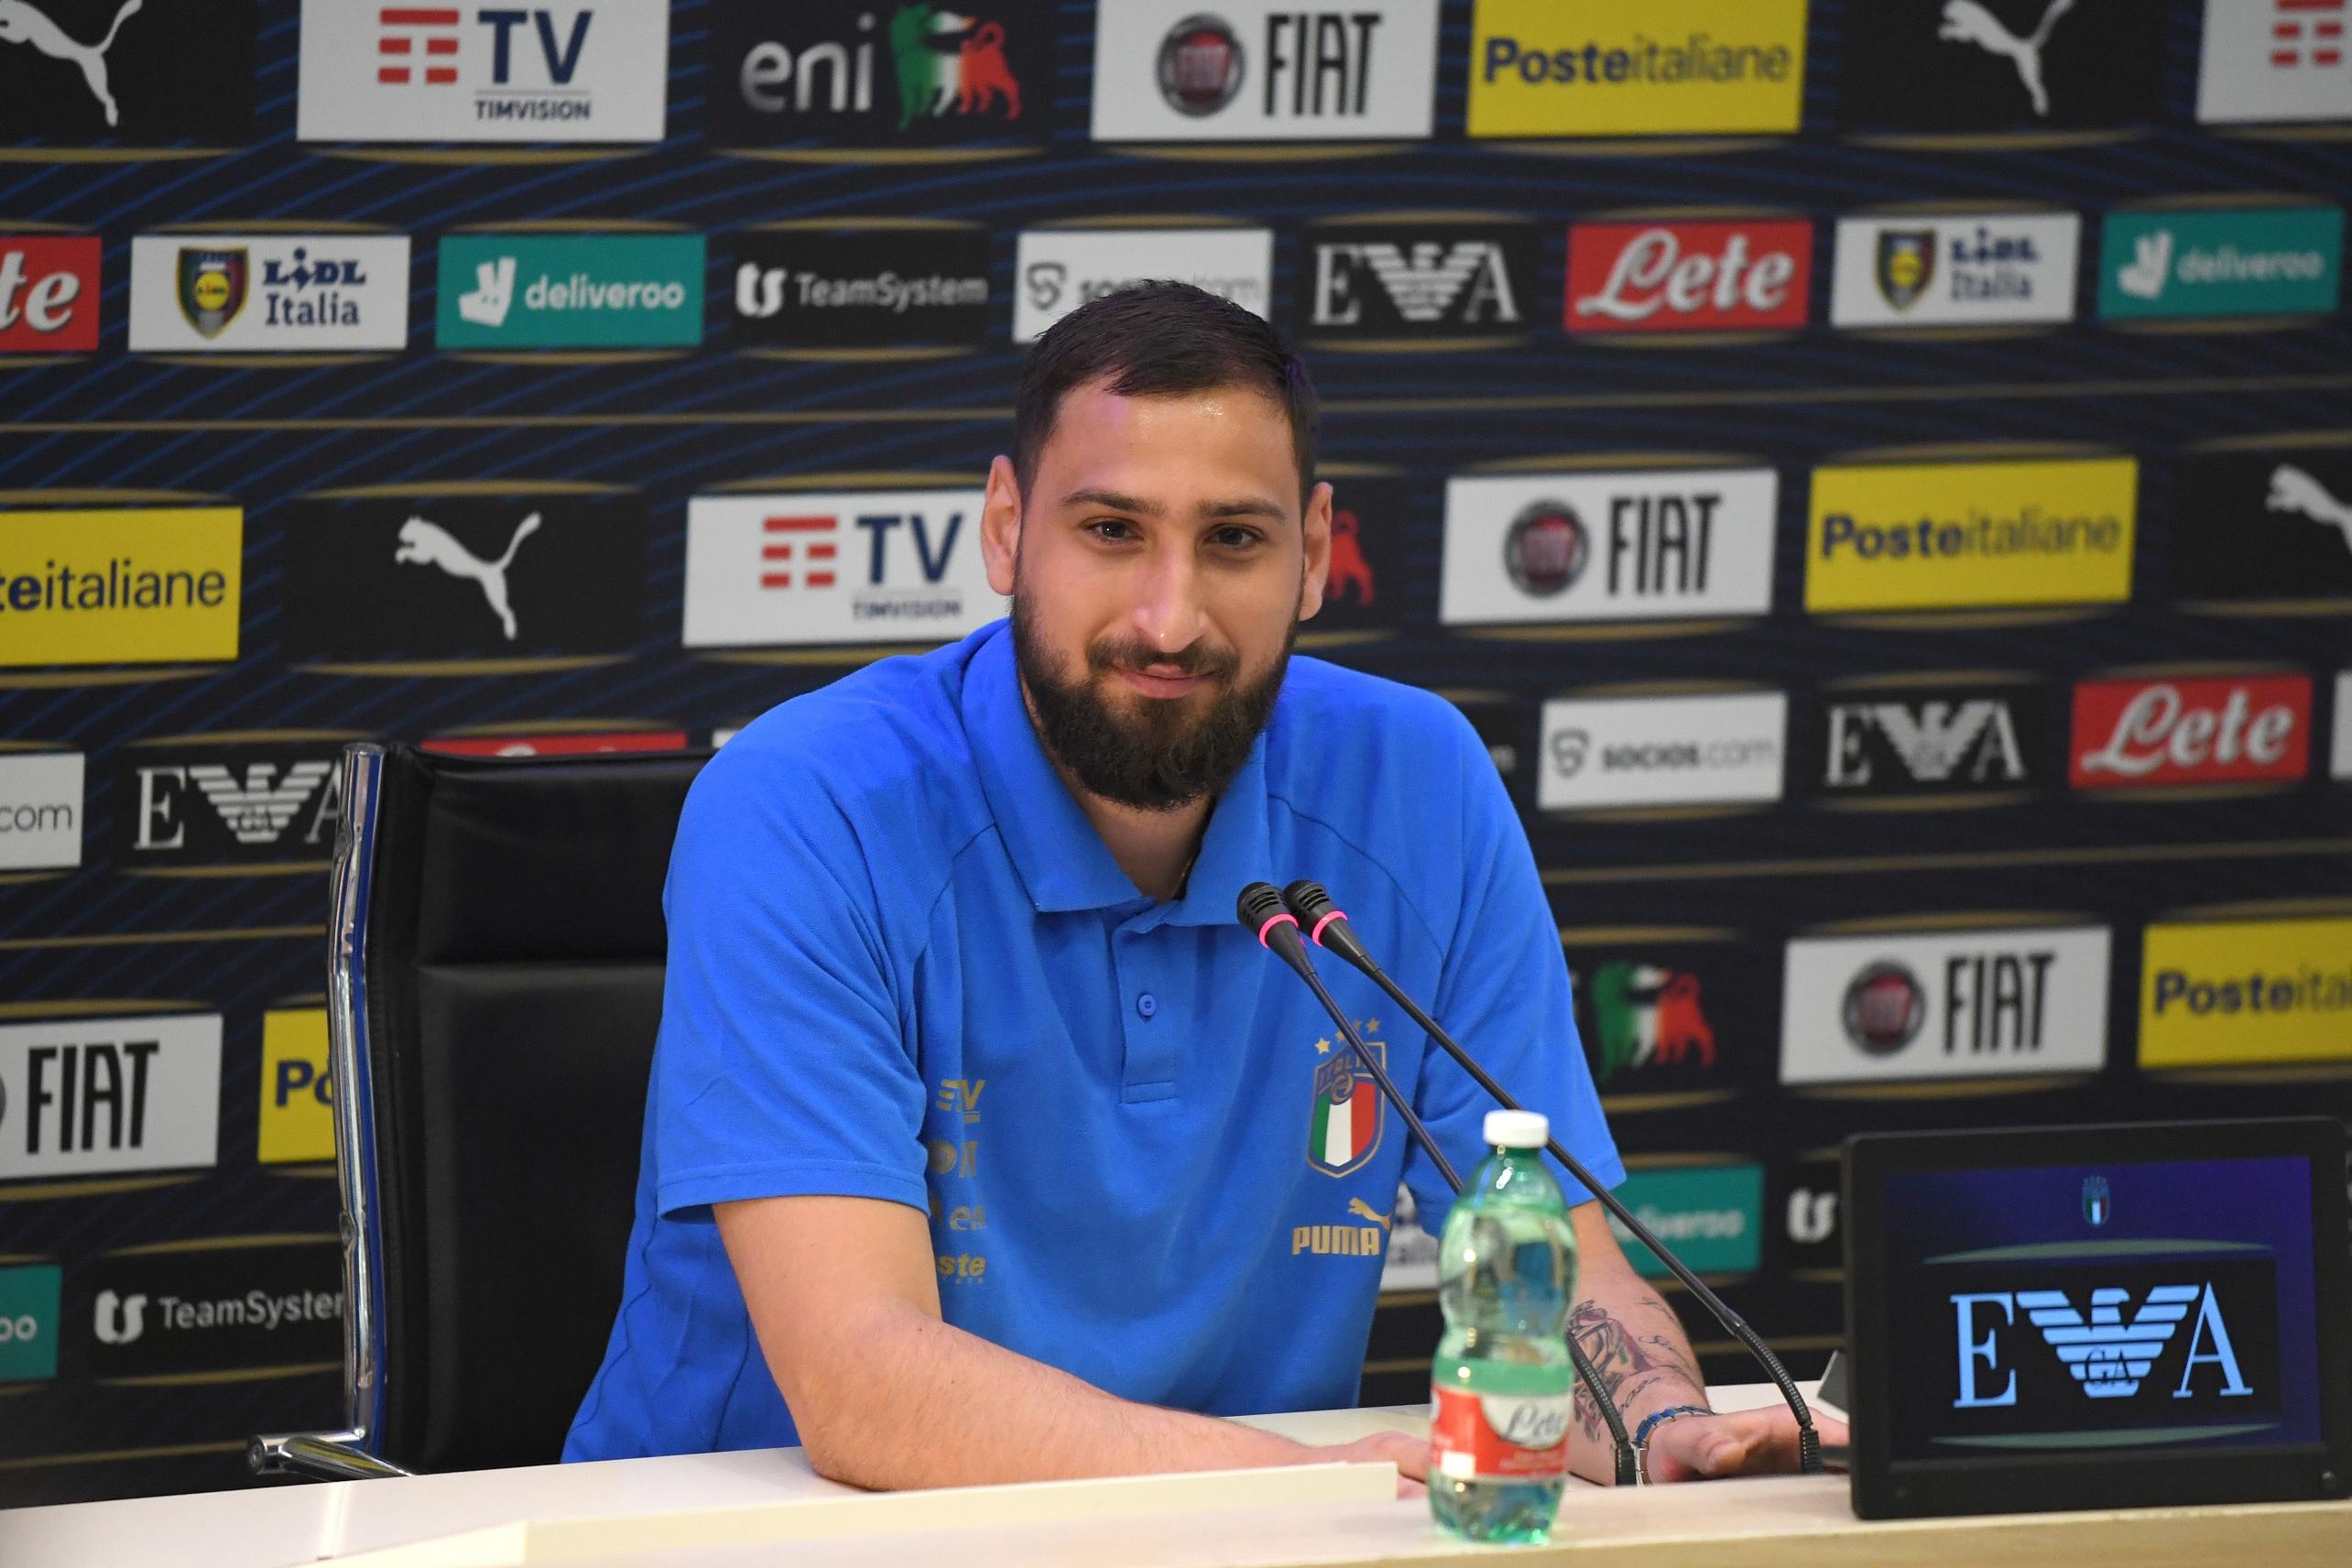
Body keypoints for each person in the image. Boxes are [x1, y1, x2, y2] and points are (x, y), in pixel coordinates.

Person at [565, 282, 1836, 1488]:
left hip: (1239, 1535)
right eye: (1112, 531)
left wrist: (1669, 1424)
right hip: (761, 1536)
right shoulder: (809, 801)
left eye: (1233, 540)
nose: (1169, 620)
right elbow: (859, 1389)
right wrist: (1295, 1490)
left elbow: (1554, 1264)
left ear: (1317, 552)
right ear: (1006, 528)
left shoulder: (1420, 782)